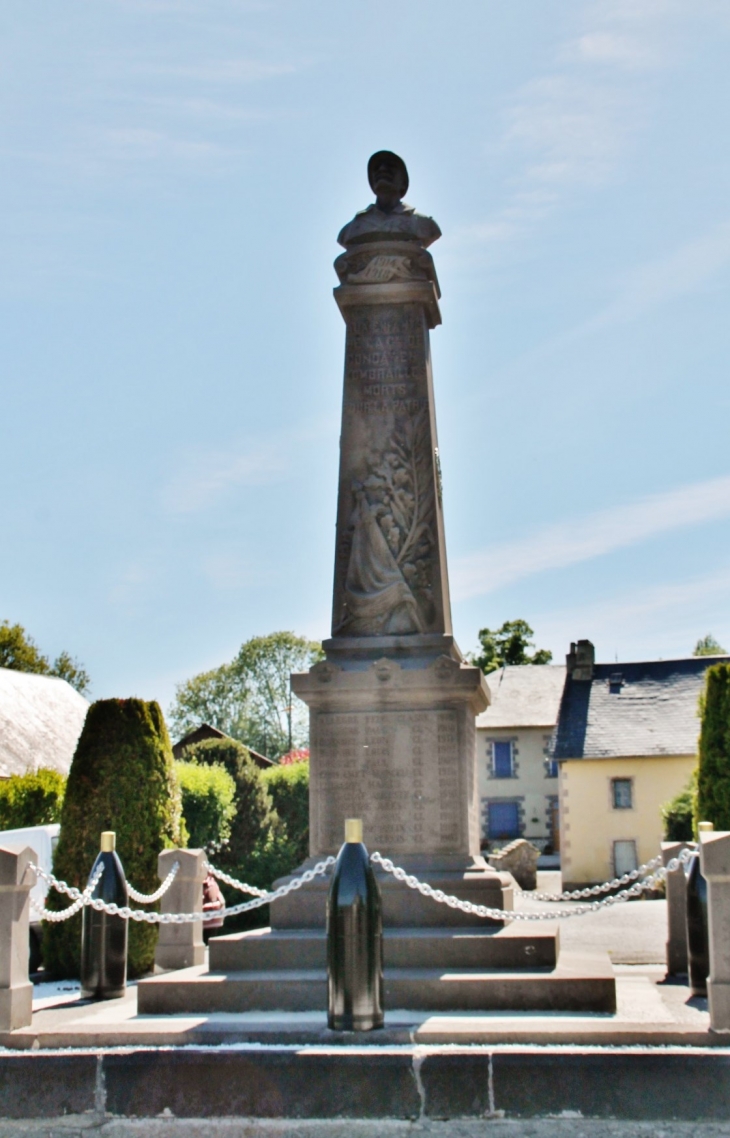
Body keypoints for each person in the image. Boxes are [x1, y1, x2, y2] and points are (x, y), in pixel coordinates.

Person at [337, 150, 441, 249]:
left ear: (403, 183)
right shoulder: (351, 229)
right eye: (376, 168)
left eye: (391, 166)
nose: (382, 169)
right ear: (372, 182)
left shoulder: (423, 224)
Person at [202, 871, 225, 944]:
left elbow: (217, 903)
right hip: (203, 921)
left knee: (207, 943)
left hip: (210, 922)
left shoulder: (211, 885)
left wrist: (201, 907)